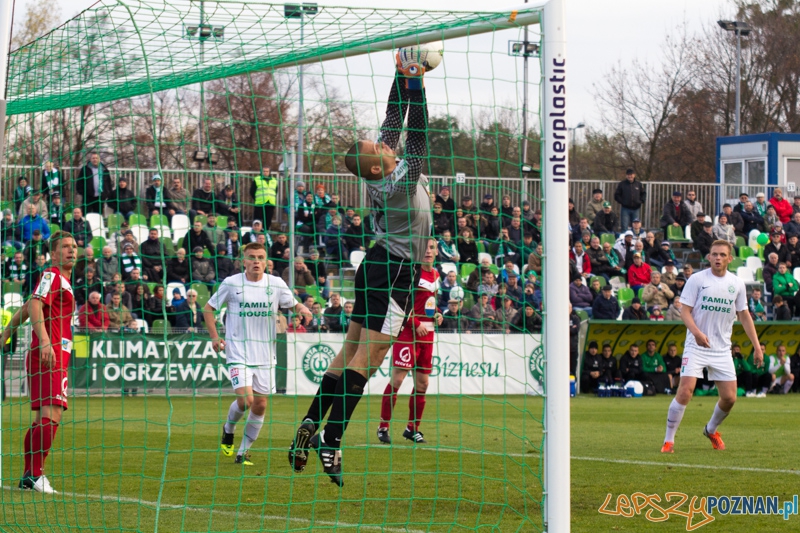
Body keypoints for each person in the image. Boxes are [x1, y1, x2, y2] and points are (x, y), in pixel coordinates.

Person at [288, 63, 432, 486]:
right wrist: (419, 83)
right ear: (376, 165)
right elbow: (418, 133)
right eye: (378, 147)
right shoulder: (400, 181)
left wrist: (402, 74)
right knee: (369, 361)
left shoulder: (383, 171)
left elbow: (393, 118)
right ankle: (331, 441)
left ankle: (310, 423)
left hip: (375, 265)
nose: (385, 143)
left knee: (349, 352)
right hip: (395, 272)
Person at [205, 242, 310, 466]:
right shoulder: (231, 283)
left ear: (266, 261)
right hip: (238, 351)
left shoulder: (276, 283)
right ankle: (228, 428)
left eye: (260, 257)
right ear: (244, 261)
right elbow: (208, 308)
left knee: (260, 404)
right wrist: (215, 337)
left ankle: (242, 453)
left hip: (265, 354)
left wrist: (302, 308)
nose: (256, 261)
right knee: (246, 400)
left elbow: (292, 304)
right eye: (252, 257)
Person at [661, 240, 762, 454]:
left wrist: (757, 347)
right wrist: (697, 333)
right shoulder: (697, 279)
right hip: (696, 345)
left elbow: (744, 315)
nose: (718, 258)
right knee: (685, 391)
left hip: (721, 349)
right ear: (708, 257)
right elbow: (685, 311)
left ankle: (711, 430)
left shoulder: (737, 284)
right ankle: (668, 441)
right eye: (714, 254)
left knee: (730, 398)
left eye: (722, 255)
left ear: (729, 258)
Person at [0, 231, 77, 493]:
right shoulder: (51, 275)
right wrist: (45, 341)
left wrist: (6, 333)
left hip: (53, 354)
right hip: (48, 354)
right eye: (65, 246)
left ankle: (29, 476)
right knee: (52, 414)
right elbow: (35, 305)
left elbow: (26, 307)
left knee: (43, 416)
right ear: (53, 253)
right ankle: (35, 475)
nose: (71, 250)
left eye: (74, 246)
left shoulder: (60, 281)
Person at [377, 239, 440, 444]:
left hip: (427, 335)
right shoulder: (411, 273)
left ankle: (412, 428)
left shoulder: (436, 275)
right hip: (407, 333)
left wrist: (438, 313)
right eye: (424, 248)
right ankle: (383, 426)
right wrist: (414, 322)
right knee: (397, 380)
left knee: (423, 383)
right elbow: (400, 304)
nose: (428, 251)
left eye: (431, 248)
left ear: (437, 251)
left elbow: (429, 303)